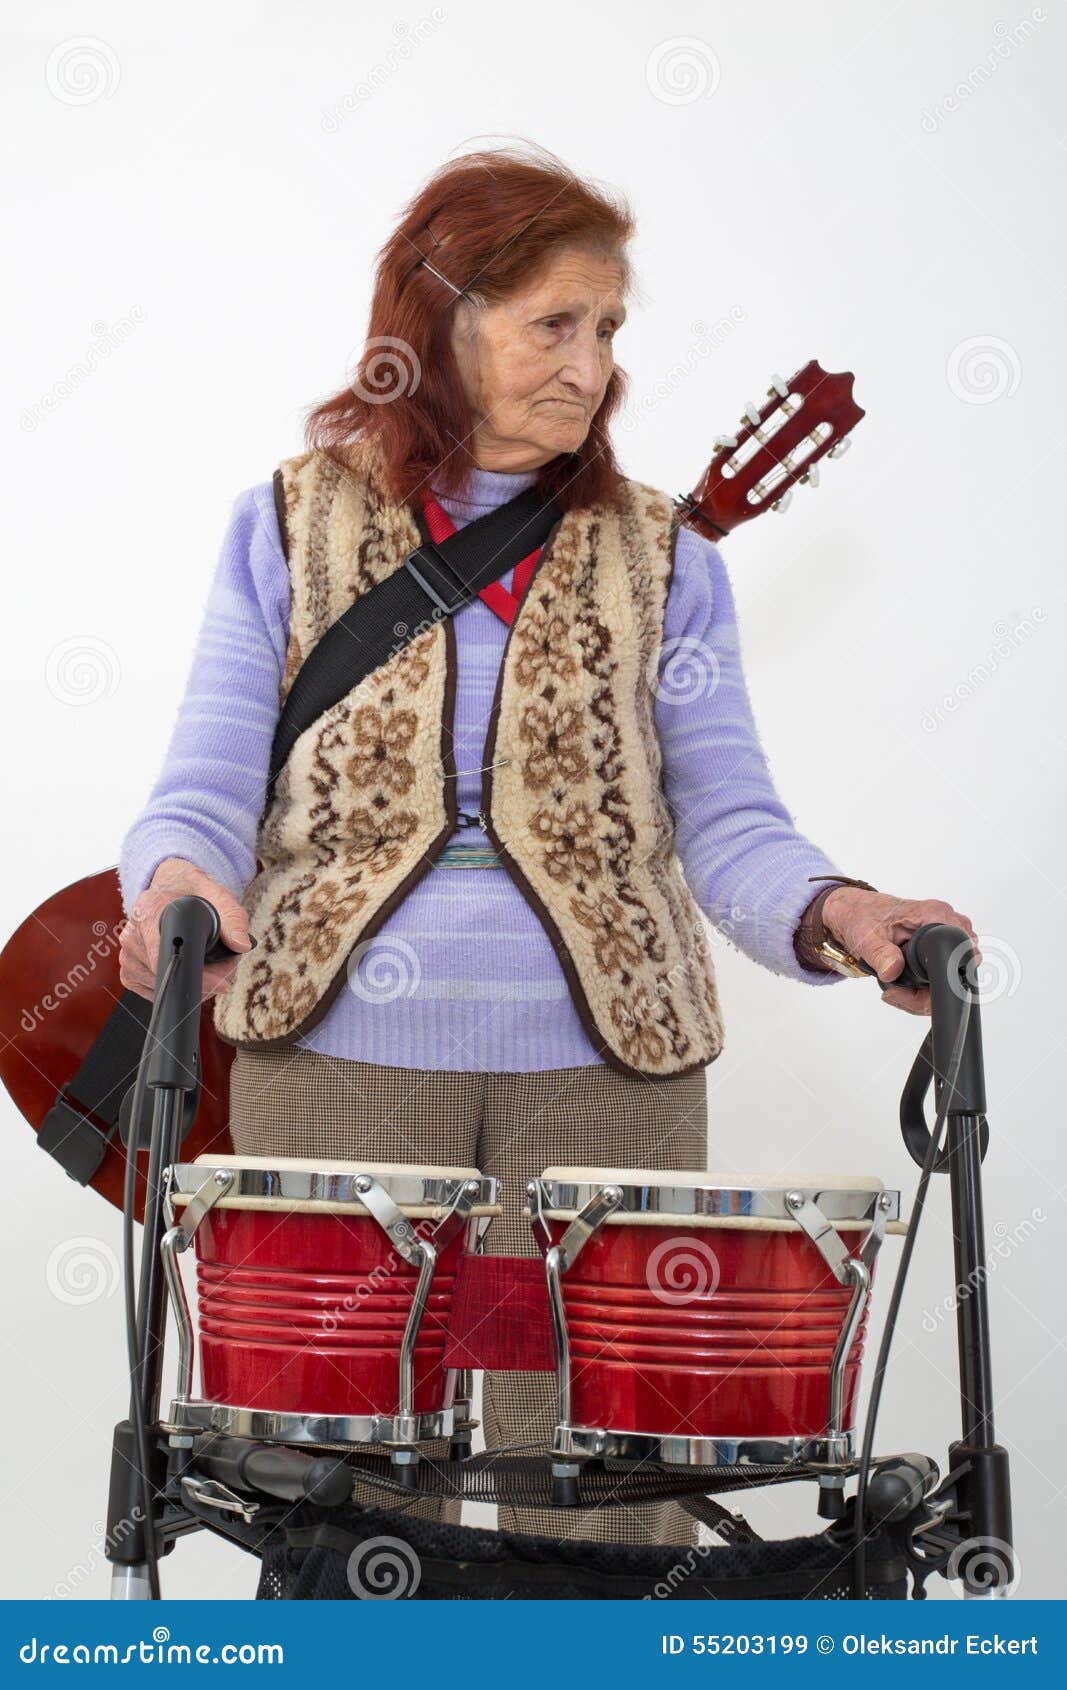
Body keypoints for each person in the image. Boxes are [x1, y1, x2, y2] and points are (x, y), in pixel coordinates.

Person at [117, 144, 978, 1548]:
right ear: (439, 326)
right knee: (345, 1510)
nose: (592, 367)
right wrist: (179, 884)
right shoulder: (291, 521)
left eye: (610, 329)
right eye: (554, 325)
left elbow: (735, 822)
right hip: (337, 1062)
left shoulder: (667, 558)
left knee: (599, 1507)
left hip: (609, 1078)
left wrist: (838, 909)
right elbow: (199, 788)